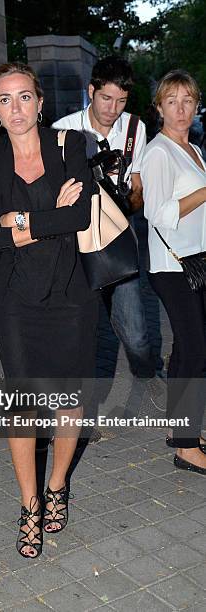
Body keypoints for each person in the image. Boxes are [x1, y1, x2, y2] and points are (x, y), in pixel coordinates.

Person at [0, 63, 99, 558]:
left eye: (24, 97)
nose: (16, 108)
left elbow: (80, 213)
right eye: (5, 100)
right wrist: (48, 220)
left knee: (69, 399)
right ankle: (30, 505)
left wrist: (22, 220)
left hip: (71, 293)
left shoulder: (70, 146)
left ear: (40, 102)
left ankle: (57, 486)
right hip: (17, 299)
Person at [52, 56, 156, 380]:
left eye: (121, 101)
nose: (113, 109)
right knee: (82, 333)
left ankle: (146, 378)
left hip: (119, 235)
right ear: (91, 90)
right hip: (77, 240)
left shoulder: (135, 130)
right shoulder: (63, 129)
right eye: (106, 98)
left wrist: (127, 196)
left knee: (137, 333)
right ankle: (80, 413)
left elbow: (138, 189)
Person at [141, 70, 206, 475]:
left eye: (188, 100)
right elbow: (158, 213)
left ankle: (180, 430)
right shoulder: (158, 152)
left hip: (198, 260)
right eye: (172, 101)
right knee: (196, 349)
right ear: (159, 108)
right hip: (172, 266)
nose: (181, 109)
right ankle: (184, 447)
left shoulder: (196, 149)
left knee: (188, 348)